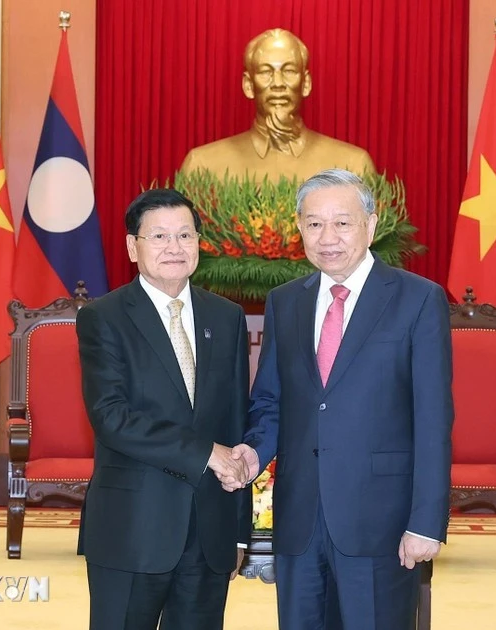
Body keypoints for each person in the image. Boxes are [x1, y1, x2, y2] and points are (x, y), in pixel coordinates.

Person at [225, 169, 454, 629]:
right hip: (299, 520)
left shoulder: (418, 299)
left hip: (381, 522)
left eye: (342, 223)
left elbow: (433, 419)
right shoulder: (285, 301)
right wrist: (251, 452)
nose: (327, 237)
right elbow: (271, 401)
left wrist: (426, 522)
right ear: (300, 230)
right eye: (313, 224)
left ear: (370, 225)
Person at [75, 188, 252, 630]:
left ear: (198, 244)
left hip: (210, 532)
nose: (174, 248)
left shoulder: (226, 317)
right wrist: (205, 453)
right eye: (159, 237)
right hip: (132, 529)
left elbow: (236, 424)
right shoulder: (104, 318)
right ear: (133, 247)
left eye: (185, 236)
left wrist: (238, 531)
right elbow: (111, 417)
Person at [180, 28, 375, 183]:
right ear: (248, 85)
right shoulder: (202, 166)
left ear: (306, 83)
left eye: (289, 71)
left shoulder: (352, 165)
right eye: (266, 72)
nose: (278, 83)